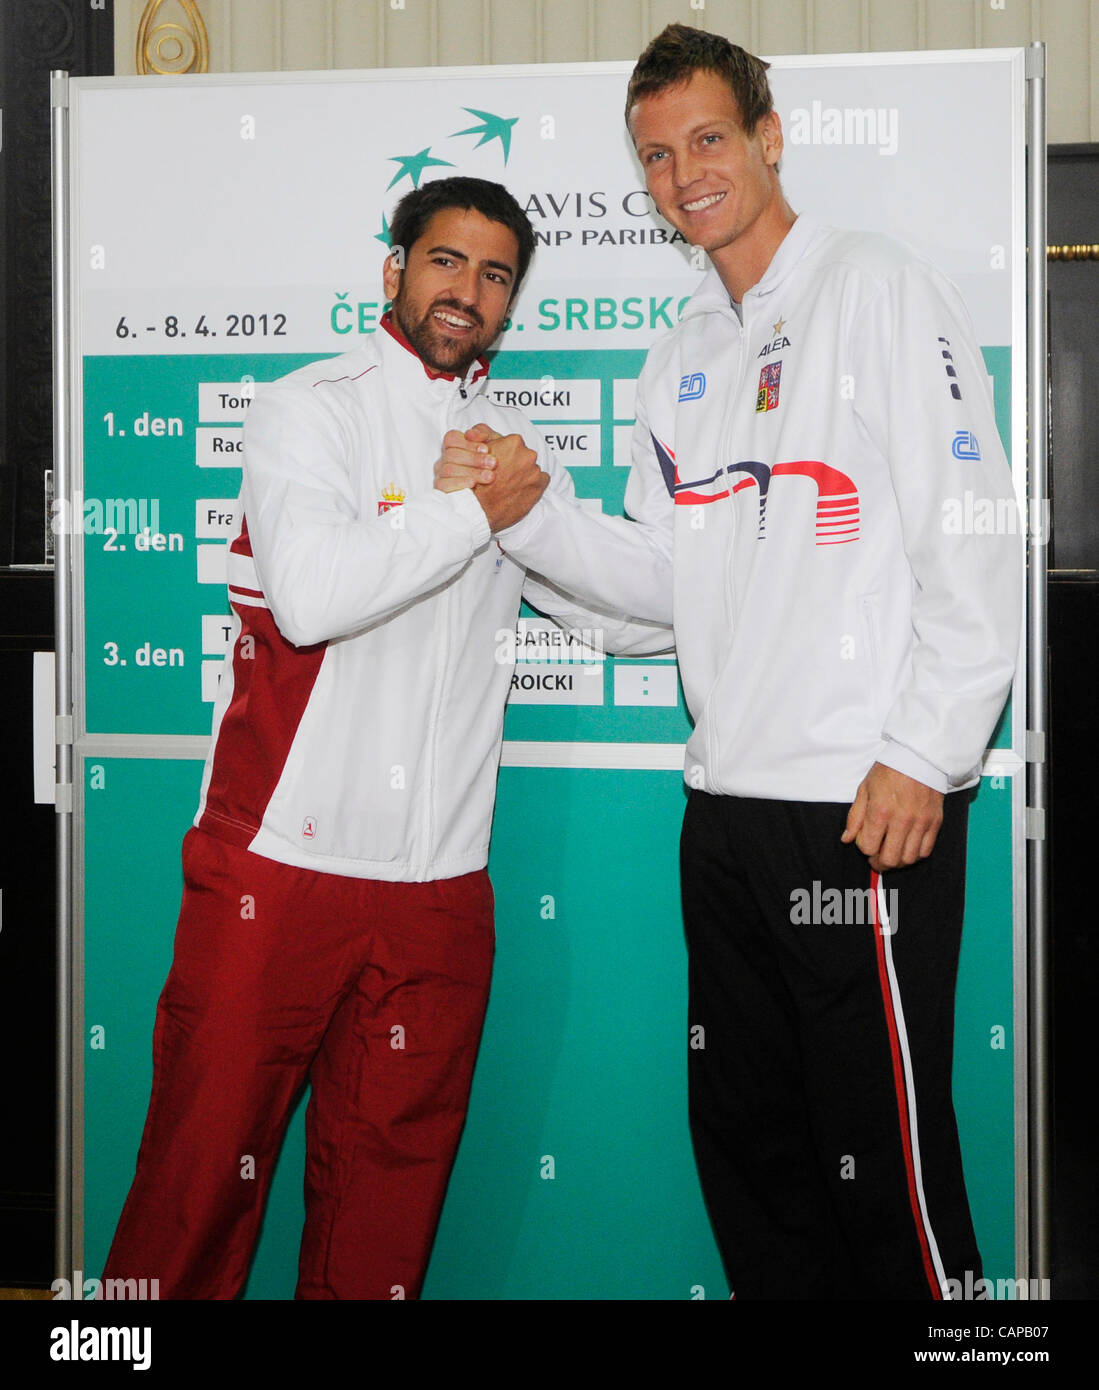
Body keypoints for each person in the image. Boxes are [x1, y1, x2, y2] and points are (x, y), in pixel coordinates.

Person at [446, 27, 1021, 1299]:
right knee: (754, 1154)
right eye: (655, 155)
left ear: (767, 137)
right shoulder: (683, 356)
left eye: (705, 140)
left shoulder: (872, 285)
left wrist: (925, 752)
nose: (680, 174)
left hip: (861, 810)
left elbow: (970, 535)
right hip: (725, 809)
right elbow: (666, 595)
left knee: (892, 1171)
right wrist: (528, 518)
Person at [102, 176, 670, 1301]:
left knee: (385, 1225)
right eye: (446, 261)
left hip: (438, 895)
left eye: (495, 273)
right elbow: (310, 597)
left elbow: (640, 623)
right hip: (278, 872)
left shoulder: (507, 455)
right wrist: (467, 512)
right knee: (192, 1196)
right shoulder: (307, 407)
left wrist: (531, 511)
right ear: (393, 273)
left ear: (512, 304)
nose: (467, 290)